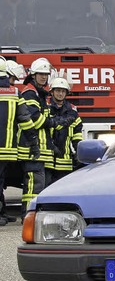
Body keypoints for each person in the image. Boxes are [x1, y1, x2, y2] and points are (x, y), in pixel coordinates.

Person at [17, 58, 74, 216]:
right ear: (33, 75)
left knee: (38, 184)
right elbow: (34, 118)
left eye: (45, 74)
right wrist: (53, 122)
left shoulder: (38, 93)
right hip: (30, 146)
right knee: (34, 185)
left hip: (38, 147)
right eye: (40, 74)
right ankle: (28, 215)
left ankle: (32, 214)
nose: (43, 77)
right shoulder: (30, 93)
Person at [0, 57, 37, 225]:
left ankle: (1, 212)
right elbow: (25, 120)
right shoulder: (14, 93)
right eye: (13, 78)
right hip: (7, 149)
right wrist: (33, 142)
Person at [47, 77, 83, 185]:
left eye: (63, 91)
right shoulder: (46, 108)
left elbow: (77, 134)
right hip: (48, 159)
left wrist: (79, 152)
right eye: (58, 91)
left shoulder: (72, 111)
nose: (60, 94)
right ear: (52, 92)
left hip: (65, 161)